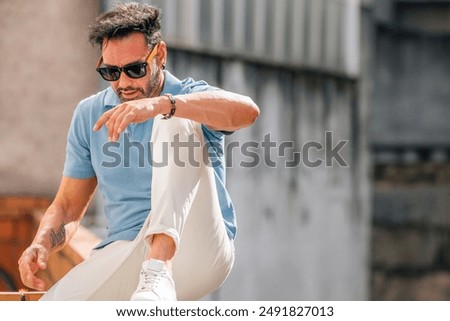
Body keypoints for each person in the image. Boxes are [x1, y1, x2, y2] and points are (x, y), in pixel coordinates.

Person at [18, 2, 259, 301]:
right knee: (49, 311)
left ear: (160, 55)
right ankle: (151, 276)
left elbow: (248, 112)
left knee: (175, 120)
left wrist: (163, 104)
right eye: (111, 72)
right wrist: (41, 244)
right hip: (126, 252)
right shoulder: (89, 114)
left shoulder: (187, 96)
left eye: (134, 69)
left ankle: (159, 266)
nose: (123, 83)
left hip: (198, 249)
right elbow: (67, 206)